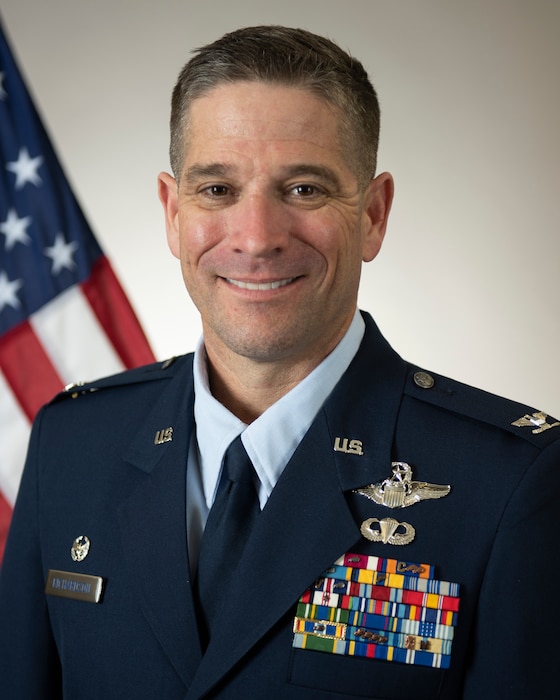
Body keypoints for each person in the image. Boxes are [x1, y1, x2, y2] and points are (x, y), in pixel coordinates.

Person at [0, 25, 558, 700]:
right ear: (172, 213)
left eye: (303, 190)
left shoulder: (514, 483)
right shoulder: (72, 443)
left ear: (374, 215)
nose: (257, 238)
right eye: (216, 190)